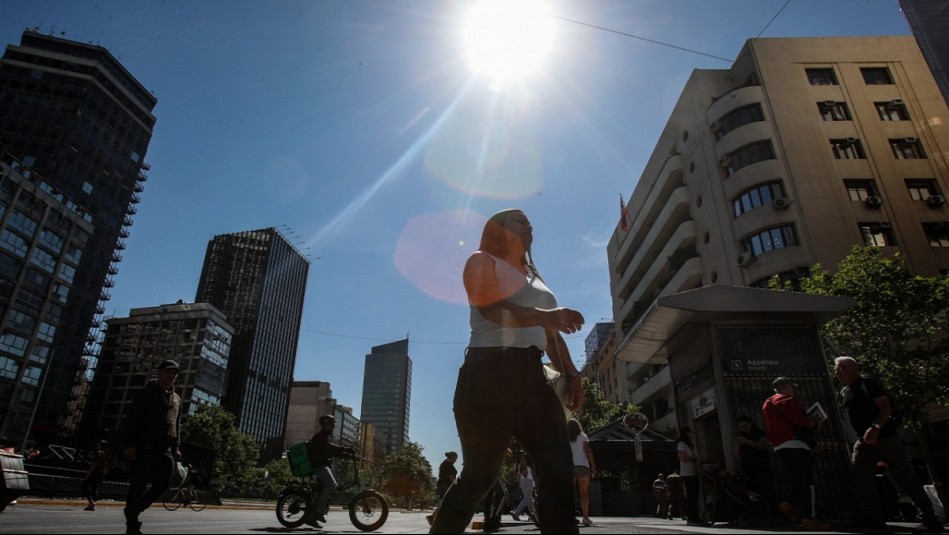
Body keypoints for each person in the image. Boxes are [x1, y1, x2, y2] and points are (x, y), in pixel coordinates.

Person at [430, 208, 586, 535]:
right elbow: (491, 308)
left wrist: (573, 375)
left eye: (530, 222)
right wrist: (546, 316)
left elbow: (550, 336)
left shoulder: (534, 276)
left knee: (558, 470)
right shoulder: (481, 260)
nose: (529, 225)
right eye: (520, 221)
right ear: (498, 230)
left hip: (534, 376)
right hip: (487, 375)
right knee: (479, 477)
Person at [834, 356, 944, 534]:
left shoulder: (868, 384)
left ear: (852, 368)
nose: (837, 372)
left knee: (905, 477)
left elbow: (886, 408)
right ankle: (874, 518)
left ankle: (930, 519)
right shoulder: (846, 391)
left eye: (840, 368)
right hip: (863, 441)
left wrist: (875, 428)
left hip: (884, 438)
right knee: (861, 477)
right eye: (836, 369)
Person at [122, 359, 182, 535]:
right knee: (138, 486)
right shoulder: (146, 393)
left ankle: (134, 510)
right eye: (168, 372)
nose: (171, 376)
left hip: (164, 448)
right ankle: (132, 525)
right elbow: (132, 420)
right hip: (143, 446)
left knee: (164, 483)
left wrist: (176, 447)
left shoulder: (176, 398)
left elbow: (177, 424)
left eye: (174, 374)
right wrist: (129, 445)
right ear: (159, 373)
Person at [762, 377, 829, 531]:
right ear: (786, 387)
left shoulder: (767, 403)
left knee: (797, 480)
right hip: (795, 444)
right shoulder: (787, 400)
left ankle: (788, 505)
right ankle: (809, 517)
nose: (794, 390)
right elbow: (798, 420)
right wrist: (813, 423)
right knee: (807, 482)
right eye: (792, 387)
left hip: (780, 446)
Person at [307, 414, 355, 527]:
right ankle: (318, 511)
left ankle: (311, 517)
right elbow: (329, 447)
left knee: (325, 488)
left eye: (333, 424)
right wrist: (345, 449)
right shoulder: (321, 437)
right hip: (318, 467)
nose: (333, 426)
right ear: (325, 424)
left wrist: (345, 455)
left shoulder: (324, 436)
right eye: (331, 424)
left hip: (322, 466)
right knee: (331, 484)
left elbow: (330, 451)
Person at [734, 415, 773, 508]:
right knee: (752, 494)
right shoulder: (741, 436)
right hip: (748, 469)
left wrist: (747, 442)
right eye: (740, 427)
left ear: (750, 424)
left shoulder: (758, 433)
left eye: (745, 426)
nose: (743, 429)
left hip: (761, 468)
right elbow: (737, 453)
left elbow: (764, 446)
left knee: (766, 492)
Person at [568, 418, 597, 527]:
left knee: (569, 493)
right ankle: (585, 517)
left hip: (569, 467)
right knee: (584, 493)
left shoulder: (564, 437)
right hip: (582, 466)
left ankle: (570, 517)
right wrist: (593, 466)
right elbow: (588, 451)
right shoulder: (583, 436)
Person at [676, 426, 703, 526]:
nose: (693, 434)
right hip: (687, 474)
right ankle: (692, 517)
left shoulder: (690, 445)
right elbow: (683, 459)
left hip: (694, 472)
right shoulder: (682, 444)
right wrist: (693, 457)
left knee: (695, 495)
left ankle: (696, 516)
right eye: (691, 432)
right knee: (691, 495)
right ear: (687, 433)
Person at [427, 451, 459, 526]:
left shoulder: (445, 463)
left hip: (443, 485)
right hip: (445, 486)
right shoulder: (448, 464)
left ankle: (433, 517)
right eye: (455, 459)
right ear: (452, 457)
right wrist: (457, 486)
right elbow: (452, 477)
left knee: (445, 503)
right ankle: (436, 518)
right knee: (446, 503)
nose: (456, 461)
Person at [82, 440, 109, 511]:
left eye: (98, 444)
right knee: (94, 489)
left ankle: (91, 502)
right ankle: (92, 506)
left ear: (101, 445)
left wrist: (88, 474)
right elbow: (105, 464)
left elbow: (95, 464)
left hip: (95, 472)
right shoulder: (105, 453)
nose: (97, 445)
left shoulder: (98, 452)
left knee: (84, 486)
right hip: (100, 473)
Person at [511, 453, 537, 523]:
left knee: (529, 500)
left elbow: (518, 474)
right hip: (527, 481)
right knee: (527, 498)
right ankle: (516, 513)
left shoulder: (520, 464)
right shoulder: (527, 463)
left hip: (524, 481)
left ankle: (533, 515)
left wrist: (519, 483)